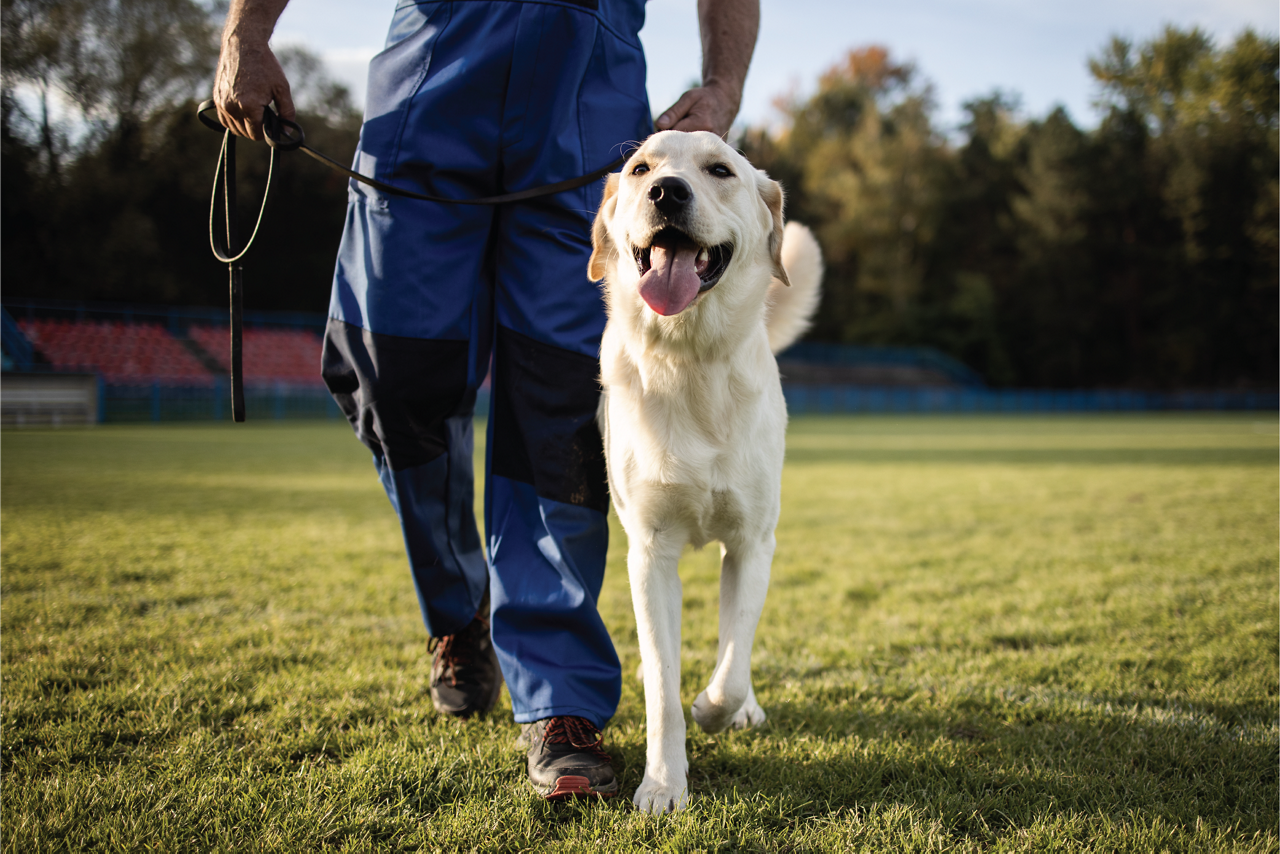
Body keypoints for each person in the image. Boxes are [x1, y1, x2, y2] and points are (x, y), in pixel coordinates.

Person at [213, 0, 758, 800]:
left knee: (562, 412)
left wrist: (722, 85)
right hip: (432, 84)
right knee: (388, 374)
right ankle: (459, 611)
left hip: (586, 103)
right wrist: (244, 32)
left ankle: (561, 700)